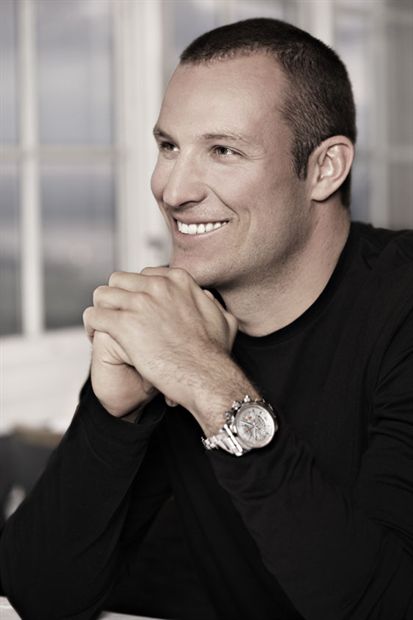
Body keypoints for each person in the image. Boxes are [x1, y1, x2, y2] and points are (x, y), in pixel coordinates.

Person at [1, 17, 413, 620]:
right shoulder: (177, 320)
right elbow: (41, 594)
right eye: (168, 146)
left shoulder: (399, 307)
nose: (172, 190)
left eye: (223, 151)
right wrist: (114, 414)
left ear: (325, 168)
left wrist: (212, 386)